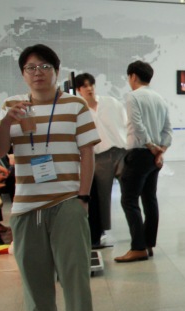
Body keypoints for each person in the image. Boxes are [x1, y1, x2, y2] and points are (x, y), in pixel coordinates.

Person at [0, 44, 99, 311]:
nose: (38, 72)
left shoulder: (75, 105)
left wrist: (82, 198)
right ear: (23, 74)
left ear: (56, 70)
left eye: (45, 66)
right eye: (31, 67)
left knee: (74, 275)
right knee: (33, 277)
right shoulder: (12, 106)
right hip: (26, 205)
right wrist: (7, 121)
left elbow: (87, 153)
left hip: (66, 200)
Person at [115, 60, 172, 263]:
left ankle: (138, 247)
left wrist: (150, 146)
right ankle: (148, 243)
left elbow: (137, 125)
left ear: (133, 76)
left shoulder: (133, 96)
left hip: (139, 153)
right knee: (149, 199)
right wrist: (160, 151)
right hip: (153, 157)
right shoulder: (159, 98)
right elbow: (167, 129)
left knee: (129, 200)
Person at [73, 73, 128, 249]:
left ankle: (137, 234)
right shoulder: (79, 111)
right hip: (99, 157)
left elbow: (126, 123)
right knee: (101, 197)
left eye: (91, 85)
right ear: (78, 90)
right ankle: (100, 233)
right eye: (85, 86)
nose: (89, 88)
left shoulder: (111, 103)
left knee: (130, 196)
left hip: (120, 152)